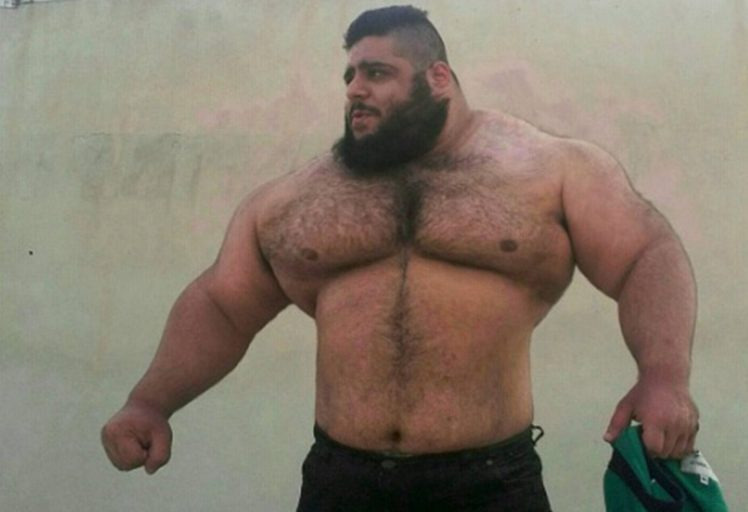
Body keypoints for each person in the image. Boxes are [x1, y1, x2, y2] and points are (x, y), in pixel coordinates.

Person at [101, 6, 700, 511]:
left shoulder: (550, 169)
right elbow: (223, 306)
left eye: (377, 72)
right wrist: (150, 402)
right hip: (342, 482)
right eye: (349, 75)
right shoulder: (297, 198)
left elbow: (645, 255)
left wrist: (663, 378)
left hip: (489, 483)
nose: (354, 89)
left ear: (438, 77)